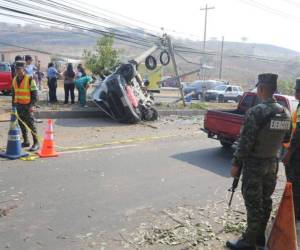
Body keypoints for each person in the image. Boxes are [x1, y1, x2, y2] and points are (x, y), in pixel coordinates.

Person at [226, 73, 291, 250]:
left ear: (261, 88)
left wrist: (236, 164)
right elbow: (286, 138)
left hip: (254, 165)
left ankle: (248, 242)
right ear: (274, 89)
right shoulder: (284, 112)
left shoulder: (256, 112)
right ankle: (259, 237)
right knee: (265, 200)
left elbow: (245, 142)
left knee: (254, 204)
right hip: (272, 164)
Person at [11, 60, 39, 151]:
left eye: (19, 69)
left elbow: (35, 94)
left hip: (27, 106)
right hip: (18, 106)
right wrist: (13, 106)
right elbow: (14, 93)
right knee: (21, 124)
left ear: (24, 69)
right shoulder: (14, 79)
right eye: (16, 69)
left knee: (31, 124)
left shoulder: (30, 79)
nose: (18, 71)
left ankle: (36, 143)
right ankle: (26, 141)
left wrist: (32, 105)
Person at [283, 79, 300, 221]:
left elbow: (299, 132)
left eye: (297, 90)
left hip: (296, 153)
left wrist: (288, 153)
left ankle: (294, 214)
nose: (295, 92)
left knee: (294, 183)